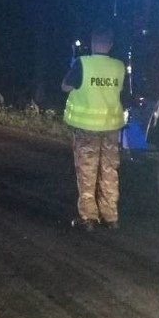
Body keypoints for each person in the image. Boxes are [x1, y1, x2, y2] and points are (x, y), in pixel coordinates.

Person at [61, 24, 126, 232]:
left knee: (87, 172)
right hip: (111, 128)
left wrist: (73, 67)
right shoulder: (119, 66)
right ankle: (111, 216)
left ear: (92, 43)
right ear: (111, 45)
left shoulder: (83, 64)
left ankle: (88, 218)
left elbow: (65, 86)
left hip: (87, 128)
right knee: (109, 171)